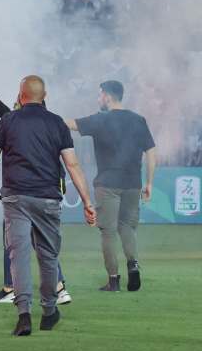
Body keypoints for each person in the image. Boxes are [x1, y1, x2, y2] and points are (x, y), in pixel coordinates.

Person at [0, 76, 97, 337]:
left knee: (18, 256)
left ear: (21, 96)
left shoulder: (8, 121)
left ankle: (23, 315)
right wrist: (88, 202)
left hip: (15, 199)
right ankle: (49, 312)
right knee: (47, 256)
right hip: (47, 199)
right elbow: (73, 165)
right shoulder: (57, 123)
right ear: (45, 97)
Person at [0, 74, 71, 306]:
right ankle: (59, 287)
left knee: (15, 242)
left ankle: (12, 288)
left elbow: (1, 113)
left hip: (24, 192)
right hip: (47, 191)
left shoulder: (17, 122)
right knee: (43, 243)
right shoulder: (49, 123)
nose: (15, 107)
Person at [66, 81, 156, 292]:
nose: (98, 100)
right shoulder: (138, 120)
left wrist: (42, 115)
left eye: (99, 96)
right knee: (127, 227)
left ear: (107, 96)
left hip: (108, 184)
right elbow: (151, 153)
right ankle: (133, 265)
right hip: (133, 183)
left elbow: (69, 124)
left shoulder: (100, 119)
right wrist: (149, 182)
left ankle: (113, 281)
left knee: (108, 232)